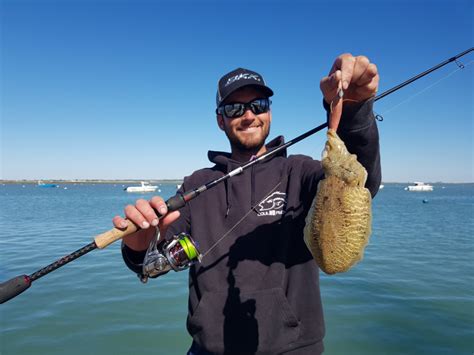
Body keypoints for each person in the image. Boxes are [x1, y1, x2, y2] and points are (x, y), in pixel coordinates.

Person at [114, 53, 381, 354]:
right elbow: (151, 264)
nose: (249, 114)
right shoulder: (194, 185)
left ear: (269, 112)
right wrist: (139, 241)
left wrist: (355, 109)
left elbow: (359, 183)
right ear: (220, 119)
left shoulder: (301, 172)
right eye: (234, 108)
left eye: (259, 105)